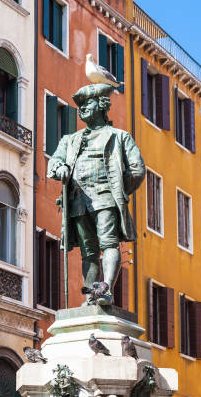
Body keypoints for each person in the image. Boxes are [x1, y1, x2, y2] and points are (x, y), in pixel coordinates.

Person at [47, 83, 145, 305]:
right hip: (78, 200)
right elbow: (54, 161)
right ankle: (93, 296)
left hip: (105, 196)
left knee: (108, 243)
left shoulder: (119, 136)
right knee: (88, 251)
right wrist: (59, 168)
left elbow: (138, 169)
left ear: (101, 105)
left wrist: (118, 188)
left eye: (87, 103)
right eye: (80, 105)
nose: (82, 108)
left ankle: (106, 290)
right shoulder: (70, 140)